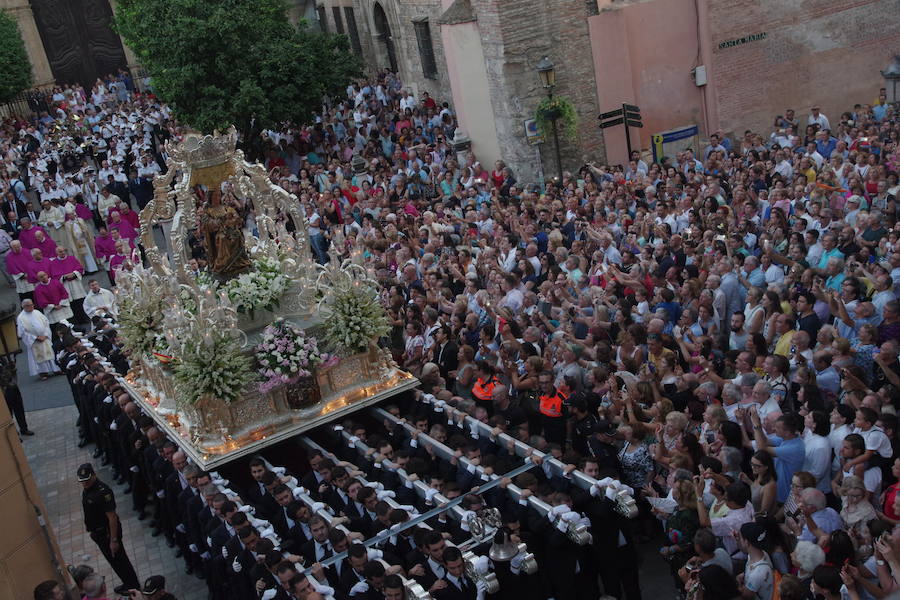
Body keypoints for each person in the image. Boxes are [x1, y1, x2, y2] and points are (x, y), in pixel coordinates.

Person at [78, 462, 140, 595]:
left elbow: (112, 518)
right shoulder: (88, 490)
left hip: (106, 534)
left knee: (121, 561)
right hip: (98, 534)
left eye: (87, 480)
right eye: (82, 481)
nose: (85, 483)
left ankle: (134, 588)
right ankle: (127, 583)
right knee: (115, 563)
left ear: (94, 475)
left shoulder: (103, 492)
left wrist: (114, 540)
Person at [16, 298, 59, 380]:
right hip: (34, 341)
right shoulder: (21, 318)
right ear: (24, 307)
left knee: (51, 353)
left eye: (32, 305)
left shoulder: (37, 312)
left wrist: (46, 335)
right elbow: (22, 332)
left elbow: (46, 323)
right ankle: (43, 373)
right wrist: (35, 338)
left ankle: (56, 369)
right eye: (29, 306)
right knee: (39, 356)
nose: (32, 307)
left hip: (44, 338)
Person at [0, 354, 32, 436]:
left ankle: (24, 428)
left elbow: (11, 371)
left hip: (12, 385)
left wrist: (12, 366)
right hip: (4, 389)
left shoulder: (2, 358)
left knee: (19, 408)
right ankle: (13, 435)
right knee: (8, 413)